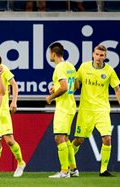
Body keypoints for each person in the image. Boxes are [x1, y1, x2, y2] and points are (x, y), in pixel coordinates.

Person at [72, 44, 120, 177]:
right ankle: (67, 163)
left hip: (102, 110)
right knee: (78, 140)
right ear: (93, 54)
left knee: (107, 138)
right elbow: (75, 85)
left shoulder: (109, 71)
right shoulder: (84, 67)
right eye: (97, 54)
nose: (98, 57)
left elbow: (117, 90)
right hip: (85, 110)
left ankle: (103, 170)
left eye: (101, 55)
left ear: (105, 57)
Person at [46, 42, 79, 178]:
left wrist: (51, 97)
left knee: (59, 137)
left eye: (50, 53)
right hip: (71, 105)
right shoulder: (70, 65)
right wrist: (58, 88)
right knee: (65, 138)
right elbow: (76, 85)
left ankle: (64, 171)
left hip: (63, 107)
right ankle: (73, 169)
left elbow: (64, 87)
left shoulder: (59, 67)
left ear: (53, 53)